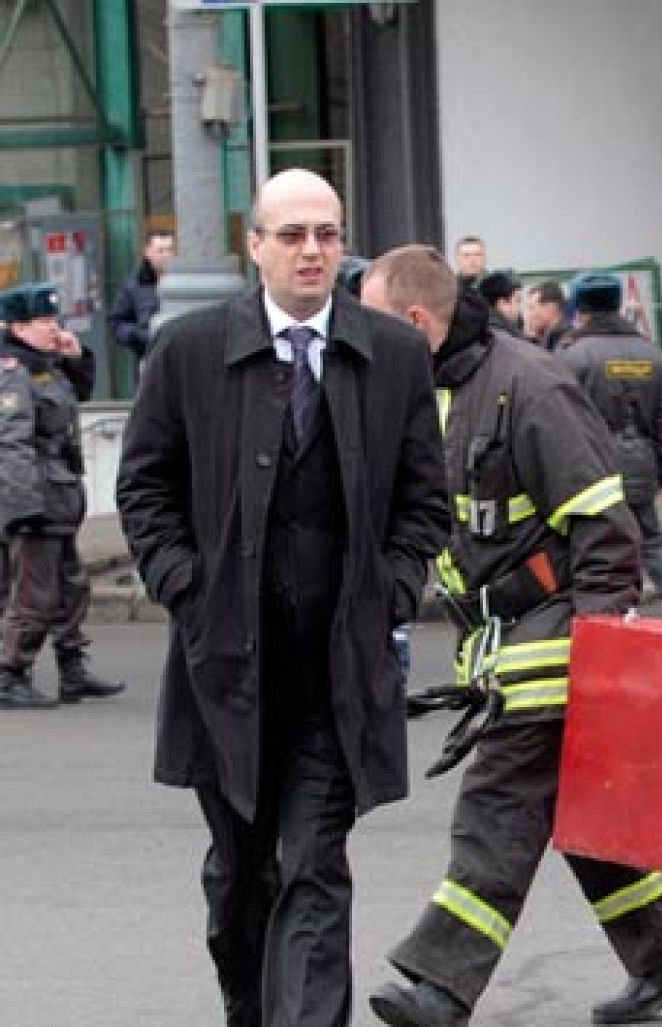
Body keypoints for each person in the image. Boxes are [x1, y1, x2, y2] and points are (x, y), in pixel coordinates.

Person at [116, 168, 453, 1025]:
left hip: (336, 671)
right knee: (240, 880)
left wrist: (391, 591)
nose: (313, 251)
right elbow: (145, 489)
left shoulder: (394, 354)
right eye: (294, 234)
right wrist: (187, 588)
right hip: (224, 669)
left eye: (328, 234)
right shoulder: (190, 350)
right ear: (255, 245)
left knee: (314, 866)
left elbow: (425, 501)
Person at [357, 246, 662, 1027]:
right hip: (497, 645)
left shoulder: (529, 385)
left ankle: (439, 985)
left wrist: (601, 654)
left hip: (554, 648)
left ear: (417, 323)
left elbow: (604, 524)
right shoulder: (419, 391)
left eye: (373, 325)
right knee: (584, 813)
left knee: (497, 811)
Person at [0, 283, 124, 709]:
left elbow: (77, 398)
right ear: (17, 326)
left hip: (59, 492)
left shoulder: (45, 365)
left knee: (71, 585)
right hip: (36, 495)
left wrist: (76, 357)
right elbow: (10, 443)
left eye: (55, 320)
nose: (54, 328)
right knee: (35, 593)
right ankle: (11, 672)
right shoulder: (12, 370)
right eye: (44, 322)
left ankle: (72, 668)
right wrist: (22, 507)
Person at [560, 272, 662, 620]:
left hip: (593, 466)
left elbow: (564, 420)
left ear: (581, 311)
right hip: (641, 464)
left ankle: (613, 615)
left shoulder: (573, 357)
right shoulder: (651, 353)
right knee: (651, 538)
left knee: (597, 544)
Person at [109, 227, 175, 363]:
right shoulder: (133, 285)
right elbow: (116, 325)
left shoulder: (184, 283)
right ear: (147, 252)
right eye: (160, 250)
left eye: (170, 249)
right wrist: (140, 336)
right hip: (149, 361)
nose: (166, 255)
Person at [475, 269, 522, 335]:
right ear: (503, 302)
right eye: (518, 300)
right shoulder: (501, 335)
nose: (519, 308)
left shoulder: (476, 327)